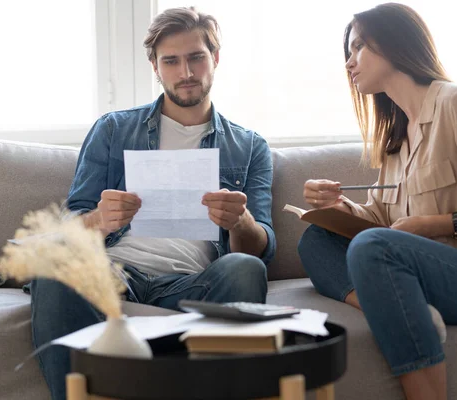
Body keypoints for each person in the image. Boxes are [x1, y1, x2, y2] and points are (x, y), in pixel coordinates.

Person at [297, 3, 457, 400]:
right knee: (315, 239)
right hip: (434, 276)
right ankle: (403, 308)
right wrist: (337, 209)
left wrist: (433, 225)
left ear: (394, 43)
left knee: (372, 247)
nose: (349, 63)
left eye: (357, 48)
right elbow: (382, 219)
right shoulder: (397, 134)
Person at [29, 7, 276, 400]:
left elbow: (261, 250)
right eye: (171, 61)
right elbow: (71, 224)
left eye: (196, 57)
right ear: (155, 67)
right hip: (115, 271)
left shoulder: (249, 147)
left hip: (193, 282)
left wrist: (239, 221)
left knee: (244, 267)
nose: (186, 72)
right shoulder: (113, 129)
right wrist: (100, 219)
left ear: (215, 58)